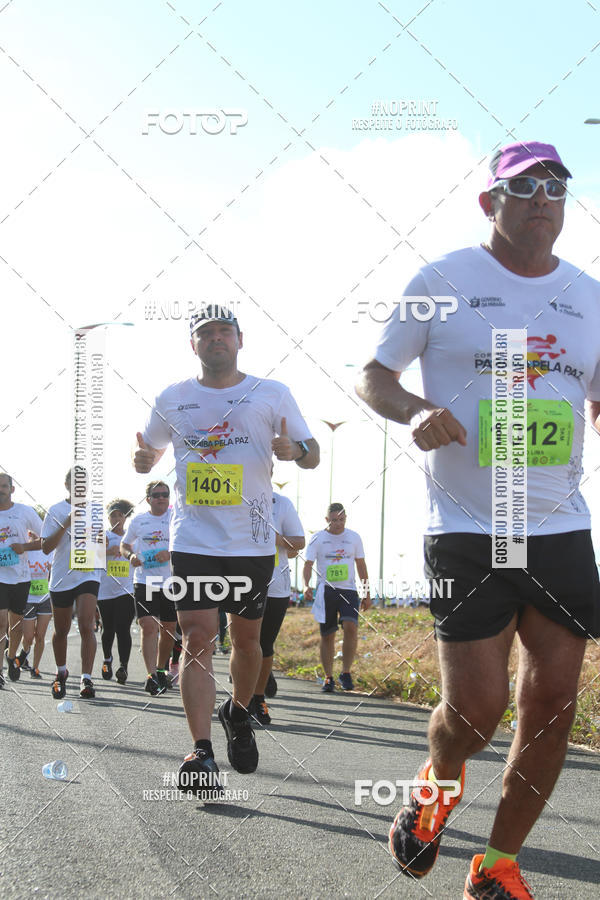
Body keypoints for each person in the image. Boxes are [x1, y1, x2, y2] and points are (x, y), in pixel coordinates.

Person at [356, 141, 600, 899]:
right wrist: (418, 410)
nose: (541, 197)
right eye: (523, 186)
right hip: (466, 523)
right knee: (478, 707)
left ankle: (498, 865)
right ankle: (438, 782)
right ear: (490, 201)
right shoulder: (442, 280)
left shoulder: (591, 295)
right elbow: (373, 376)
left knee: (553, 705)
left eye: (555, 186)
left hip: (559, 525)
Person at [132, 303, 318, 798]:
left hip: (252, 542)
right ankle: (200, 750)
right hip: (193, 538)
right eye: (205, 333)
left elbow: (314, 451)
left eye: (224, 332)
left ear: (240, 340)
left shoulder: (270, 393)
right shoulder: (172, 397)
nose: (215, 339)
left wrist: (297, 452)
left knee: (248, 641)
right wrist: (143, 458)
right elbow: (147, 451)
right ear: (192, 344)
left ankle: (238, 711)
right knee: (197, 636)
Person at [41, 468, 102, 699]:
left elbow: (98, 545)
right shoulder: (56, 510)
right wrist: (67, 523)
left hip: (88, 573)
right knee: (62, 630)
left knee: (87, 625)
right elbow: (46, 547)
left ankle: (86, 679)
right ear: (66, 484)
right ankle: (61, 672)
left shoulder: (95, 509)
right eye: (75, 482)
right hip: (62, 576)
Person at [250, 487, 305, 724]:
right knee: (244, 641)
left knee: (265, 642)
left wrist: (277, 539)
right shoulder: (235, 496)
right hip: (243, 581)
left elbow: (299, 542)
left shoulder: (282, 503)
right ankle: (242, 700)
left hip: (276, 584)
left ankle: (258, 698)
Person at [303, 503, 371, 692]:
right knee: (328, 635)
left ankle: (346, 672)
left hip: (348, 590)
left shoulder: (354, 537)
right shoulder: (317, 538)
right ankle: (328, 677)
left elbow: (361, 566)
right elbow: (308, 564)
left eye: (341, 520)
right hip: (326, 591)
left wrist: (366, 593)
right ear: (327, 520)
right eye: (334, 520)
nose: (338, 524)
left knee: (351, 626)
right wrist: (306, 585)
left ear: (346, 519)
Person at [121, 482, 175, 696]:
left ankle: (161, 668)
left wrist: (170, 553)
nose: (162, 498)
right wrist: (130, 556)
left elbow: (188, 542)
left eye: (165, 494)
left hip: (171, 581)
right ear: (148, 498)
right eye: (157, 495)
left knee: (169, 629)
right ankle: (151, 676)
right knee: (148, 625)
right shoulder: (139, 520)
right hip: (145, 580)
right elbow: (125, 545)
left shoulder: (175, 518)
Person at [0, 473, 43, 685]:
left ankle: (11, 657)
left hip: (20, 578)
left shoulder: (24, 512)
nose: (1, 490)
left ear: (11, 489)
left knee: (14, 625)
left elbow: (47, 539)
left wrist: (24, 547)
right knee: (1, 622)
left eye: (4, 487)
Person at [98, 499, 136, 685]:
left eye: (120, 515)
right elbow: (84, 557)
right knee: (108, 628)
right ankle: (107, 659)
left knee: (123, 629)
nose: (116, 518)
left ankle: (123, 666)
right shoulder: (102, 535)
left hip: (126, 589)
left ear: (126, 517)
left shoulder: (132, 538)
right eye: (113, 515)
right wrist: (105, 552)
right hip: (105, 590)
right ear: (108, 517)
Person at [20, 514, 52, 678]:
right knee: (28, 637)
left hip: (45, 599)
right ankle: (23, 654)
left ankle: (35, 668)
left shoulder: (48, 551)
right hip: (27, 599)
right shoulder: (24, 551)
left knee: (40, 636)